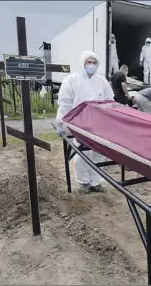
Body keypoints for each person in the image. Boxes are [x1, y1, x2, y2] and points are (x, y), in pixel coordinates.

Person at [55, 50, 115, 194]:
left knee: (98, 152)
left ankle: (96, 182)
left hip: (98, 124)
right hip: (78, 124)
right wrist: (60, 123)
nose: (91, 65)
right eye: (89, 62)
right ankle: (83, 182)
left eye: (94, 63)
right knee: (81, 154)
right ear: (83, 63)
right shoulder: (71, 80)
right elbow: (65, 103)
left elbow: (110, 102)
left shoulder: (102, 81)